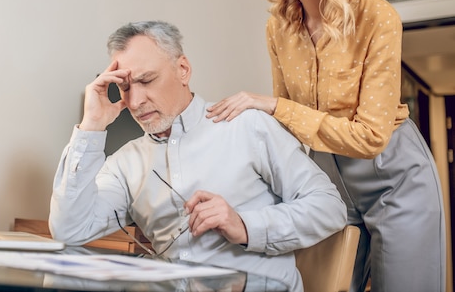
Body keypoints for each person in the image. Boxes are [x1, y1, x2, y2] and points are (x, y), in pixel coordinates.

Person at [206, 0, 446, 292]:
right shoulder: (278, 29)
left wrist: (273, 105)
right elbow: (286, 129)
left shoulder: (377, 16)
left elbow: (370, 136)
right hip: (326, 179)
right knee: (320, 285)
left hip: (394, 176)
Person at [49, 20, 346, 291]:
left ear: (183, 70)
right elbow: (69, 229)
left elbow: (330, 207)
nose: (136, 101)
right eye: (125, 87)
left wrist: (245, 225)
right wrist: (91, 126)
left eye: (147, 80)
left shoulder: (247, 126)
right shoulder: (125, 163)